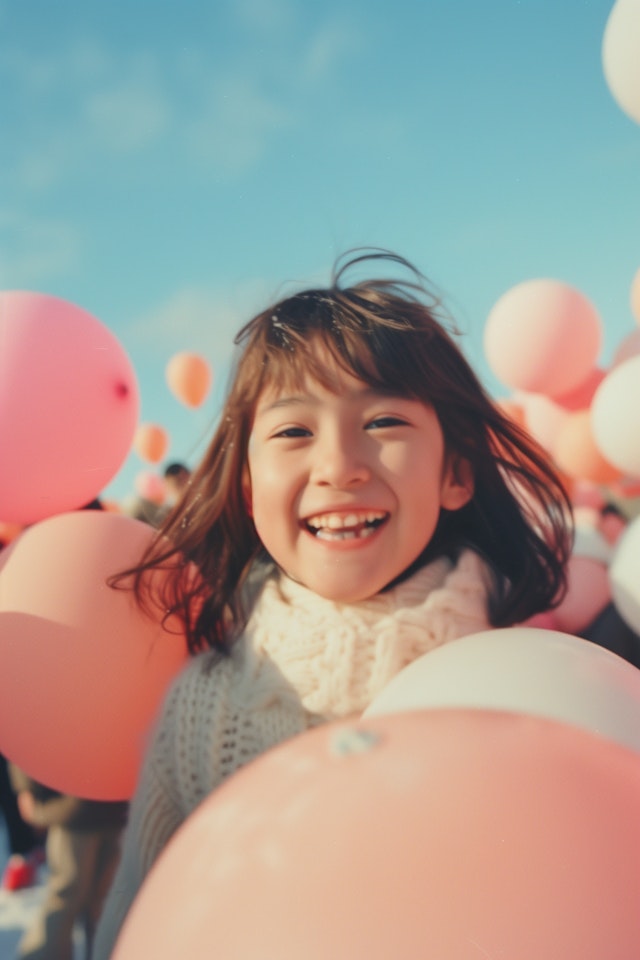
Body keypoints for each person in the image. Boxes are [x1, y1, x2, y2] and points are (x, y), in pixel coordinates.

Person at [93, 249, 572, 959]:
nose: (339, 465)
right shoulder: (201, 713)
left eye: (382, 422)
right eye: (293, 431)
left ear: (457, 473)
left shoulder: (536, 689)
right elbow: (134, 927)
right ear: (250, 490)